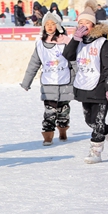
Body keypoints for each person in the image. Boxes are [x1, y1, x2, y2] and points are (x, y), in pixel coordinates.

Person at [62, 0, 108, 164]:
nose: (83, 25)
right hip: (84, 86)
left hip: (100, 87)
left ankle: (96, 152)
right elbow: (67, 56)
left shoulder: (103, 43)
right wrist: (75, 39)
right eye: (80, 22)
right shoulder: (78, 42)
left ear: (93, 25)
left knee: (99, 121)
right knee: (91, 121)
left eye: (87, 22)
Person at [21, 11, 73, 146]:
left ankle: (63, 129)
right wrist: (26, 82)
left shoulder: (66, 42)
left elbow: (74, 62)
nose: (49, 26)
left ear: (58, 25)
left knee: (63, 110)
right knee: (49, 110)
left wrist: (80, 80)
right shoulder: (40, 44)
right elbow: (34, 64)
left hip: (65, 81)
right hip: (48, 83)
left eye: (52, 24)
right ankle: (48, 134)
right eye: (47, 24)